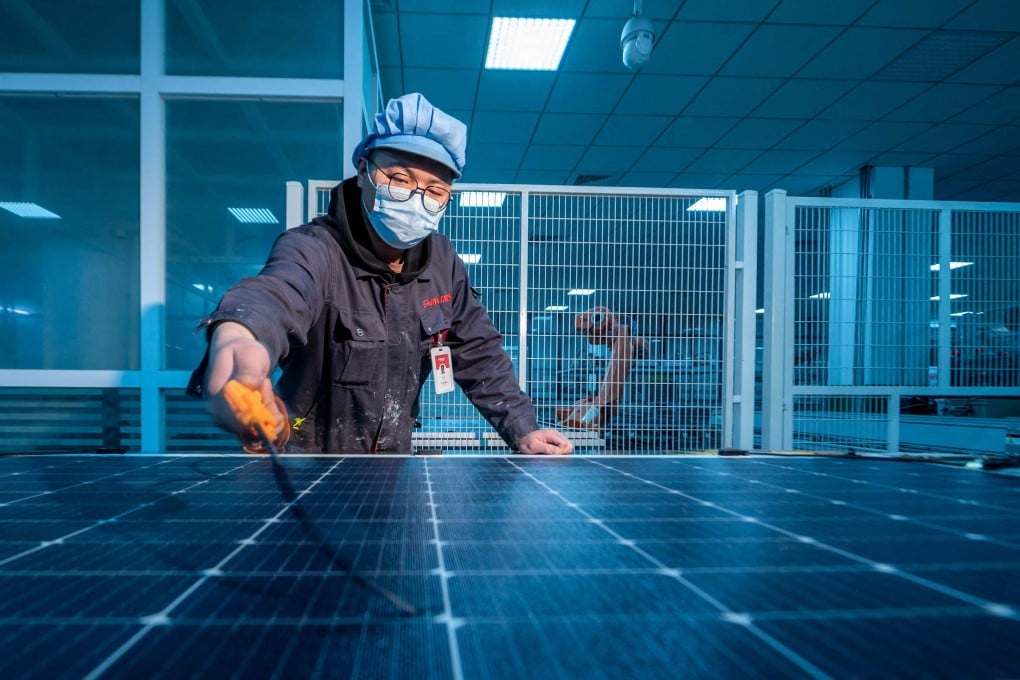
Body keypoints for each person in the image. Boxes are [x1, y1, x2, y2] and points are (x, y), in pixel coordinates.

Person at [187, 93, 573, 456]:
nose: (416, 199)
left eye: (436, 190)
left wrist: (523, 427)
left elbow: (478, 351)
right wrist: (240, 338)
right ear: (363, 170)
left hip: (391, 463)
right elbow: (275, 294)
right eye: (401, 179)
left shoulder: (442, 261)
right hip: (308, 462)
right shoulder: (315, 248)